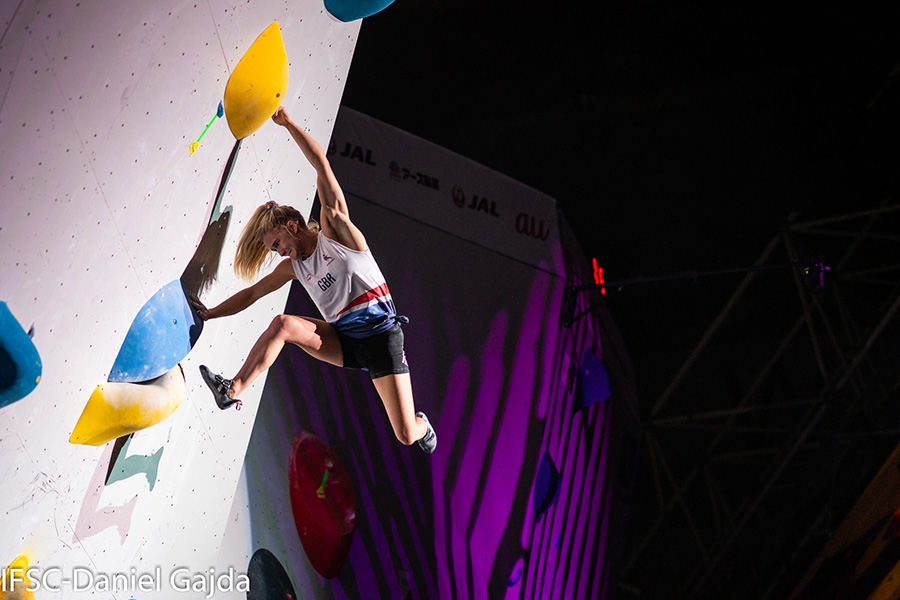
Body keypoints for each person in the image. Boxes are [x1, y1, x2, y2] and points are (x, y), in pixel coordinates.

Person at [190, 106, 436, 454]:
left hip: (382, 338)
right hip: (344, 340)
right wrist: (211, 313)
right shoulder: (294, 267)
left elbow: (322, 163)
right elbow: (252, 294)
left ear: (292, 226)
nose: (278, 253)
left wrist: (288, 122)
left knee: (407, 434)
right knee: (283, 325)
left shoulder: (336, 230)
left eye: (277, 244)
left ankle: (422, 424)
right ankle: (231, 391)